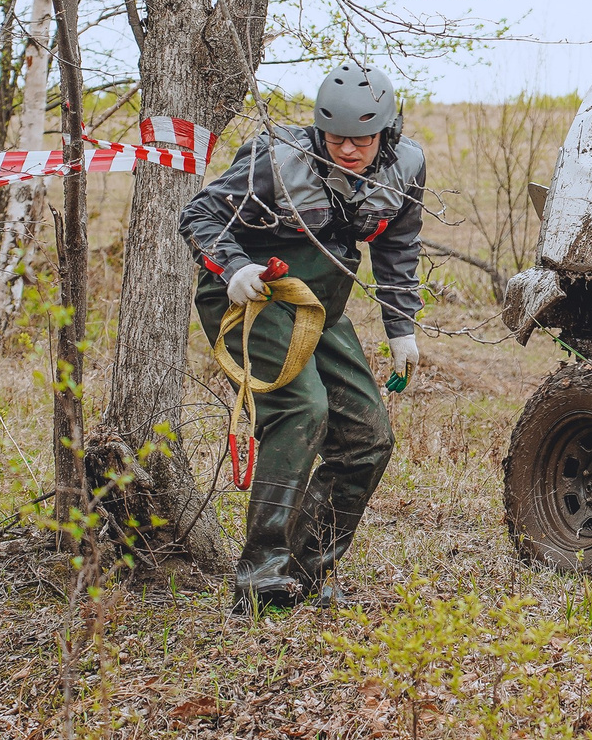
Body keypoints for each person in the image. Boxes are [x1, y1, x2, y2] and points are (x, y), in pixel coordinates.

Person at [179, 62, 426, 612]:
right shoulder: (276, 156)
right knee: (303, 410)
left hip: (321, 302)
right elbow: (201, 212)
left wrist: (400, 325)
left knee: (369, 436)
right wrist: (233, 265)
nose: (348, 151)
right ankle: (260, 574)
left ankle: (307, 571)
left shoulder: (407, 166)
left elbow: (397, 247)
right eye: (336, 139)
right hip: (252, 292)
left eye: (362, 140)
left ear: (387, 131)